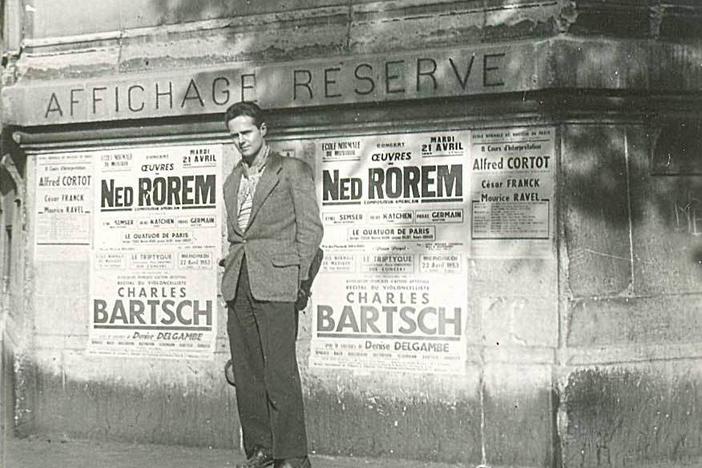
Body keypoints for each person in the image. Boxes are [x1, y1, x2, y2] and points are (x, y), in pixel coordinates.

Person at [221, 101, 323, 468]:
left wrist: (299, 283)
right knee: (247, 375)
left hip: (279, 283)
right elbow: (240, 238)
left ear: (263, 130)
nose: (240, 140)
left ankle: (292, 457)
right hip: (240, 284)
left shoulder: (291, 170)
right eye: (234, 135)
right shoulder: (232, 180)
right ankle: (261, 451)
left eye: (246, 132)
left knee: (279, 372)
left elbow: (311, 231)